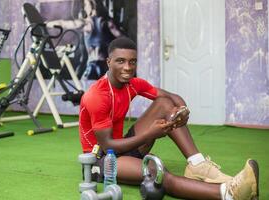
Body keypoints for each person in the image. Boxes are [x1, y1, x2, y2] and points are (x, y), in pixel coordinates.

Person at [78, 37, 259, 199]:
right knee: (158, 173)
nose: (127, 67)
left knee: (164, 103)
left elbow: (171, 98)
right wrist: (150, 134)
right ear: (108, 62)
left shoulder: (131, 84)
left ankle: (197, 165)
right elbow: (108, 145)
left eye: (132, 62)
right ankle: (228, 193)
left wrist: (182, 111)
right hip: (102, 160)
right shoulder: (97, 96)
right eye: (121, 61)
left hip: (123, 146)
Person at [46, 0, 123, 80]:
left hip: (98, 67)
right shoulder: (106, 23)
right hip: (101, 67)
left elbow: (63, 24)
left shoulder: (89, 24)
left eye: (86, 5)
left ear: (93, 6)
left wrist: (46, 24)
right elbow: (124, 40)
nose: (84, 7)